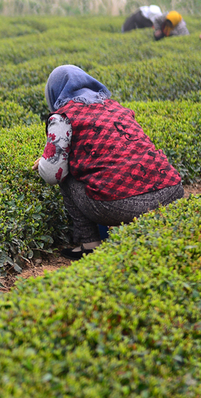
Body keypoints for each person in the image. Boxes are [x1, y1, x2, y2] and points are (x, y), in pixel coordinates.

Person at [32, 65, 184, 260]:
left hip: (121, 206)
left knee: (67, 176)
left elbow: (53, 173)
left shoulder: (62, 116)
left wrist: (45, 162)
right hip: (171, 192)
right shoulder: (115, 106)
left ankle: (89, 245)